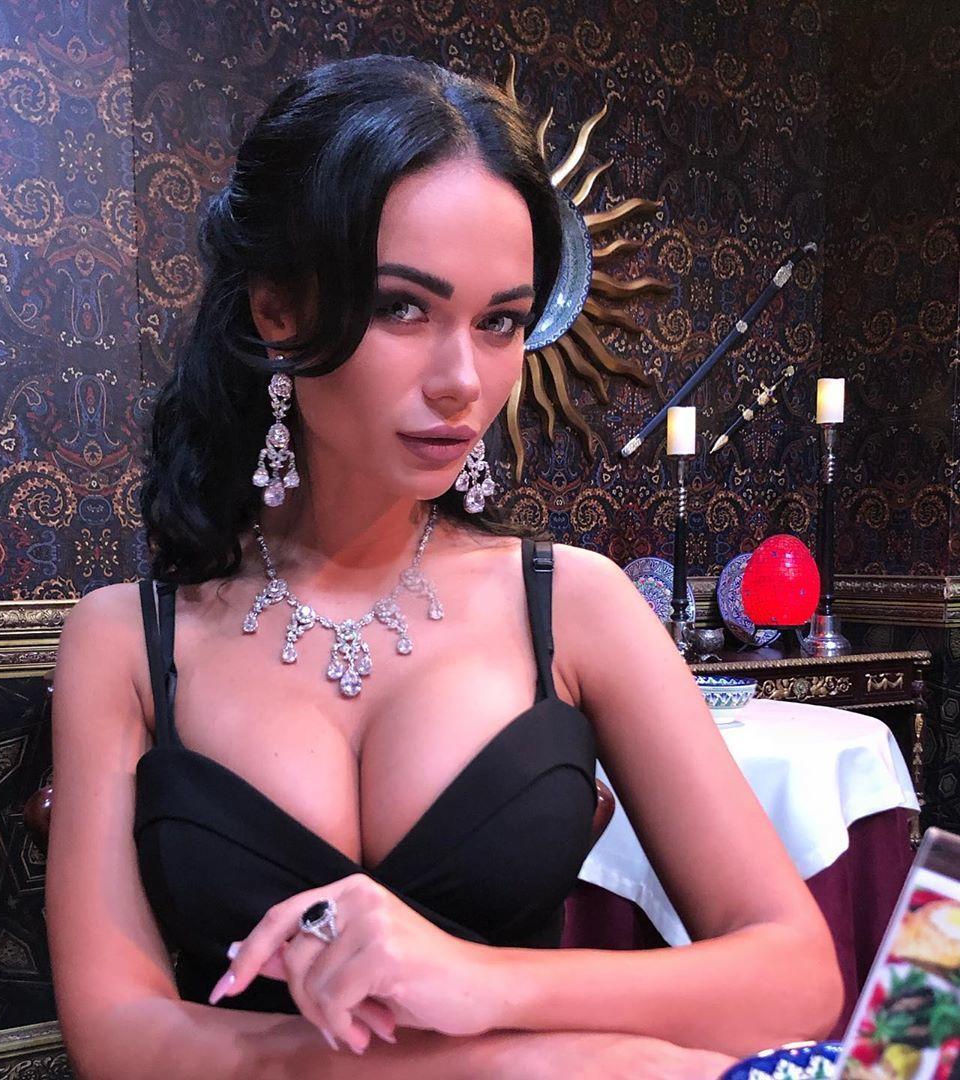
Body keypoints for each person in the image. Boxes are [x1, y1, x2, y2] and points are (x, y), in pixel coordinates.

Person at [45, 53, 842, 1079]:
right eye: (402, 308)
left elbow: (796, 976)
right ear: (278, 308)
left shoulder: (576, 603)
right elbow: (117, 1035)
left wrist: (484, 983)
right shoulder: (126, 638)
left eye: (500, 321)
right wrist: (512, 1066)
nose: (464, 380)